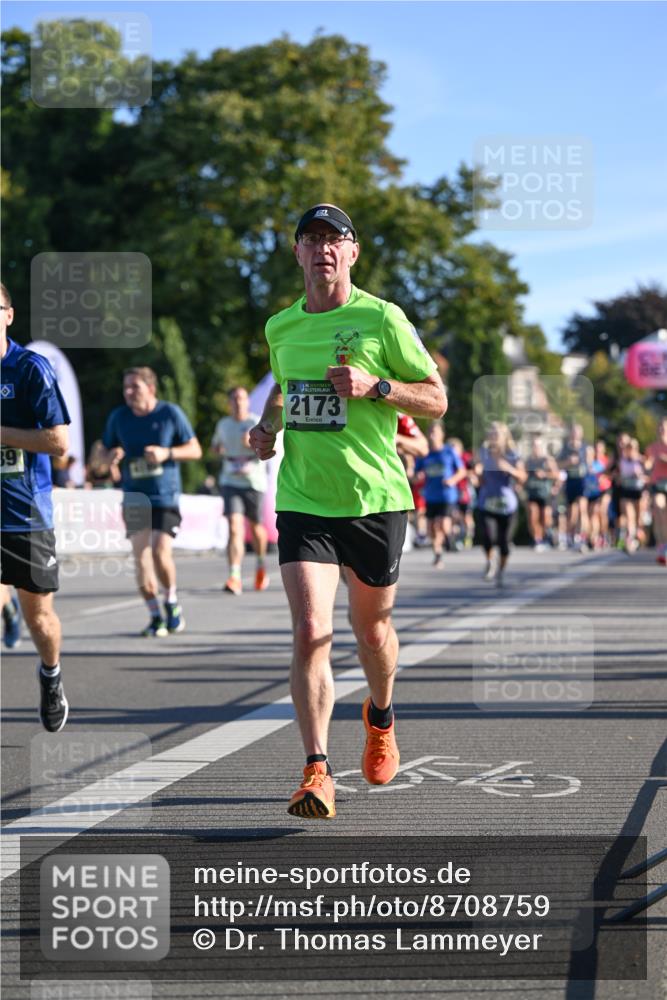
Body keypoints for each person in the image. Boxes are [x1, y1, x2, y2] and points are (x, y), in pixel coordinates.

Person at [249, 203, 446, 819]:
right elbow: (285, 391)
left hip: (374, 501)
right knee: (311, 631)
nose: (323, 249)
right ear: (298, 254)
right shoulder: (281, 327)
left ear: (352, 254)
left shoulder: (382, 318)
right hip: (304, 499)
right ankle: (316, 770)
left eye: (335, 240)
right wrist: (265, 427)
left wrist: (377, 387)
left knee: (371, 634)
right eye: (312, 239)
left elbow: (437, 399)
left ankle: (380, 713)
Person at [0, 282, 70, 730]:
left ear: (8, 315)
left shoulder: (30, 368)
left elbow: (58, 442)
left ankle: (51, 675)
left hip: (25, 514)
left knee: (39, 616)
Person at [102, 367, 202, 636]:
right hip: (134, 496)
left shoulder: (170, 413)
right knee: (140, 557)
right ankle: (155, 615)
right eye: (126, 387)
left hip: (165, 496)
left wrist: (166, 452)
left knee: (159, 550)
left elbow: (195, 449)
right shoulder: (119, 417)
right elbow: (102, 450)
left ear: (151, 389)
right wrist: (107, 458)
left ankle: (171, 601)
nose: (129, 392)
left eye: (135, 386)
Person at [211, 386, 269, 594]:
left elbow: (271, 450)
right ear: (229, 403)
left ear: (247, 402)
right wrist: (218, 449)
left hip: (254, 481)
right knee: (234, 526)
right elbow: (215, 446)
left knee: (255, 528)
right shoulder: (223, 424)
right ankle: (234, 576)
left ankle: (261, 564)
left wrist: (252, 444)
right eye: (234, 399)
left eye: (242, 398)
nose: (238, 402)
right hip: (230, 481)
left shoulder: (255, 422)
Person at [475, 422, 526, 587]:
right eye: (491, 434)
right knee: (488, 537)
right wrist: (476, 474)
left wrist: (509, 469)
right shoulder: (483, 453)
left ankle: (501, 571)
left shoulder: (512, 454)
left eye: (496, 434)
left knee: (504, 544)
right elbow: (479, 478)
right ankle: (490, 562)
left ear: (504, 437)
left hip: (507, 505)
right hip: (487, 502)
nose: (493, 437)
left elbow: (522, 477)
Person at [414, 421, 465, 567]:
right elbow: (417, 473)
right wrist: (418, 476)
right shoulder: (425, 453)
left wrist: (452, 480)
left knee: (443, 523)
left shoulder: (449, 451)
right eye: (430, 432)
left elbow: (461, 471)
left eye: (435, 433)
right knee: (431, 528)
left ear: (442, 434)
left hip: (447, 495)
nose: (432, 436)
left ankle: (450, 538)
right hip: (431, 495)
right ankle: (438, 554)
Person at [524, 437, 559, 551]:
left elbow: (556, 475)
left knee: (545, 518)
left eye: (538, 446)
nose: (535, 448)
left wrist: (545, 475)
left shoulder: (548, 460)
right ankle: (537, 539)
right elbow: (523, 475)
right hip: (532, 492)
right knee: (533, 516)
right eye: (534, 446)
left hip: (545, 493)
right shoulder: (528, 461)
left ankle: (546, 537)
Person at [558, 423, 589, 551]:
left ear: (581, 434)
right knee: (572, 513)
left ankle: (582, 537)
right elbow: (558, 465)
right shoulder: (565, 449)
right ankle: (572, 536)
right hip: (570, 481)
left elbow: (591, 464)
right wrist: (568, 462)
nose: (575, 434)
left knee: (582, 508)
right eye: (573, 432)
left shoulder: (585, 448)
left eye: (577, 432)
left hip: (582, 481)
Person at [615, 437, 647, 554]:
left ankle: (637, 537)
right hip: (626, 489)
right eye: (629, 447)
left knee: (639, 518)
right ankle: (630, 539)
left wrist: (641, 476)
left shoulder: (641, 460)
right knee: (629, 516)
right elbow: (616, 475)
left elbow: (649, 475)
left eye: (633, 447)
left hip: (639, 490)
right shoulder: (621, 460)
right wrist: (619, 478)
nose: (631, 449)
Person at [646, 416, 667, 565]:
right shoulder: (651, 448)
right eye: (659, 427)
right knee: (659, 509)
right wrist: (646, 464)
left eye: (664, 427)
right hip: (657, 484)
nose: (661, 430)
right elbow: (647, 465)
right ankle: (662, 547)